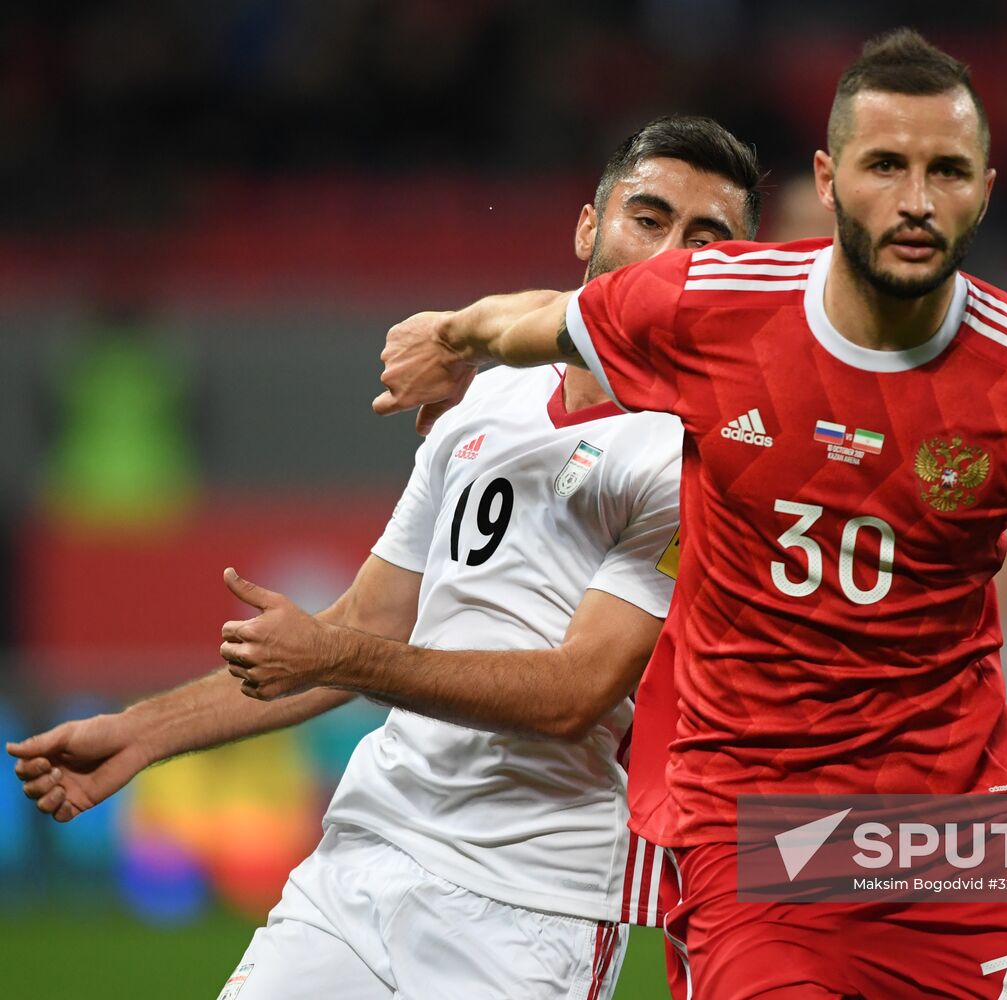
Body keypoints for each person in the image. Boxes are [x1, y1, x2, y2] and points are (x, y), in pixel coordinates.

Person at [371, 30, 1007, 1000]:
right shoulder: (712, 307)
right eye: (885, 165)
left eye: (946, 171)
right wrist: (451, 336)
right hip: (757, 835)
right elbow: (537, 322)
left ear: (986, 189)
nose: (916, 201)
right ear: (828, 180)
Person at [8, 115, 762, 1000]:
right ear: (587, 228)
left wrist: (340, 655)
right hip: (362, 859)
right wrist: (138, 736)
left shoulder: (703, 455)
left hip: (532, 904)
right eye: (648, 218)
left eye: (705, 239)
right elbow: (365, 623)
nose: (669, 255)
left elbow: (574, 693)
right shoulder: (486, 402)